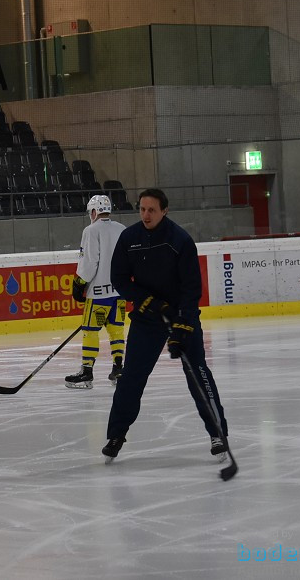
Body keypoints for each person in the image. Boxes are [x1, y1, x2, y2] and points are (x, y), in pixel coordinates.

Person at [102, 188, 229, 463]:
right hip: (148, 318)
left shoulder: (180, 240)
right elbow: (120, 279)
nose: (146, 215)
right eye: (142, 209)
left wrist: (182, 324)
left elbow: (191, 287)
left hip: (181, 316)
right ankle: (116, 435)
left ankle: (218, 434)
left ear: (165, 211)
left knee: (198, 374)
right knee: (131, 378)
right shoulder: (129, 238)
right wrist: (147, 302)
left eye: (152, 210)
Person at [64, 194, 126, 389]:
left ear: (94, 211)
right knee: (116, 331)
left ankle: (87, 372)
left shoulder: (91, 231)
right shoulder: (122, 229)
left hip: (98, 295)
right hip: (119, 294)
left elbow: (89, 262)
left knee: (90, 331)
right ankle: (119, 369)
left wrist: (79, 284)